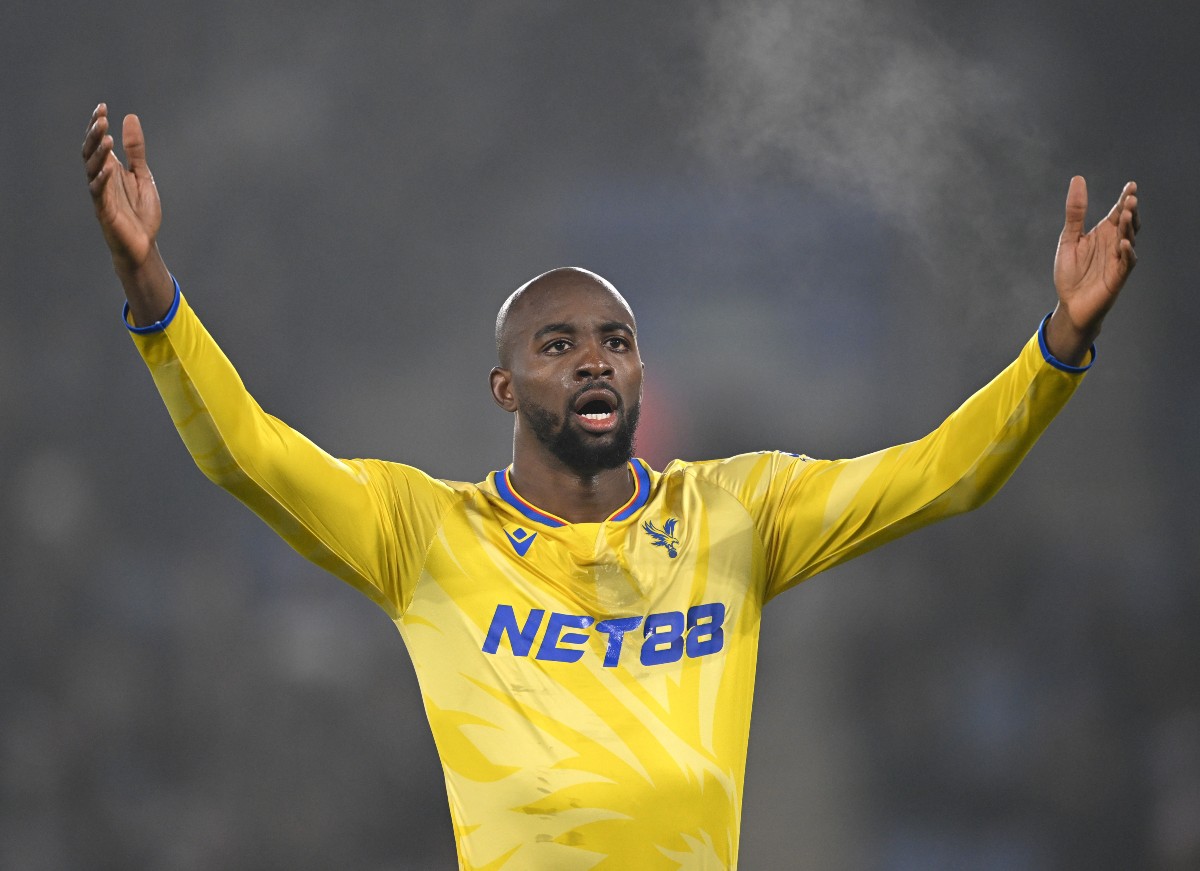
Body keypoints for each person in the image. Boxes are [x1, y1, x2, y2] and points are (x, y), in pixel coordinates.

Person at [82, 102, 1139, 870]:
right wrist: (152, 293)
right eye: (558, 344)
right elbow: (247, 452)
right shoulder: (425, 533)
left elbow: (943, 474)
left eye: (617, 342)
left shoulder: (736, 513)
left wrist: (1056, 347)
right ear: (503, 383)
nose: (595, 359)